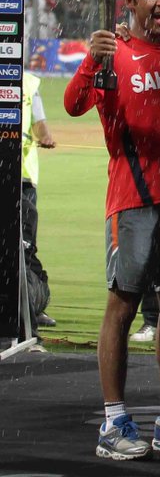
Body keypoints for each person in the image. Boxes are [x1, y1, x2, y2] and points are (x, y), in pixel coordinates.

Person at [64, 0, 160, 459]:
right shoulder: (114, 53)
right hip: (135, 202)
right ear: (131, 2)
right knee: (122, 307)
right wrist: (92, 56)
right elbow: (73, 105)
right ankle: (113, 422)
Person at [20, 70, 56, 331]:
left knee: (23, 246)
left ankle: (29, 305)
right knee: (22, 246)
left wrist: (44, 136)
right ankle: (29, 305)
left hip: (19, 177)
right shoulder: (28, 82)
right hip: (17, 177)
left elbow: (39, 121)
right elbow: (40, 123)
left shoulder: (28, 82)